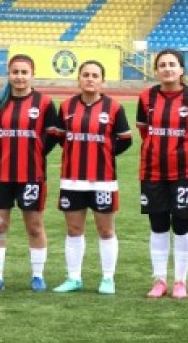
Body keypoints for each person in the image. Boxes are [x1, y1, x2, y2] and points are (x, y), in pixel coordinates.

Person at [53, 60, 133, 295]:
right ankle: (73, 277)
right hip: (72, 178)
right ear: (79, 79)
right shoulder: (66, 106)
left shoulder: (114, 108)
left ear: (102, 81)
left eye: (95, 75)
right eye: (85, 74)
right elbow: (59, 136)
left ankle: (108, 278)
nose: (90, 78)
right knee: (74, 229)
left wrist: (103, 155)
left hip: (103, 179)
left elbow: (125, 140)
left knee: (106, 230)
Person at [0, 54, 62, 293]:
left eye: (23, 72)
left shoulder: (45, 103)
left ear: (32, 75)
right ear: (9, 74)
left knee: (35, 226)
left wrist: (34, 153)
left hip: (31, 175)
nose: (19, 77)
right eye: (15, 72)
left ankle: (37, 275)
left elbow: (52, 137)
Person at [136, 49, 188, 299]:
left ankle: (180, 281)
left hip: (184, 172)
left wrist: (184, 155)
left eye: (172, 64)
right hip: (152, 171)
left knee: (182, 225)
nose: (167, 69)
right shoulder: (146, 97)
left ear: (182, 69)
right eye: (162, 65)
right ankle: (160, 280)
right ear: (156, 71)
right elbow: (145, 131)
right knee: (158, 225)